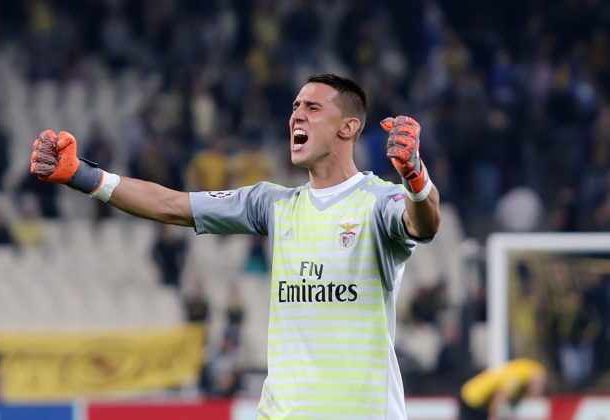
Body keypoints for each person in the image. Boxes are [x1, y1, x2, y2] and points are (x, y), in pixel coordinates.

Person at [29, 73, 441, 419]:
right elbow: (173, 205)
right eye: (295, 106)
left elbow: (423, 223)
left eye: (313, 108)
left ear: (347, 127)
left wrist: (416, 178)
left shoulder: (377, 200)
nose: (297, 115)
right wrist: (83, 176)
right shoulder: (274, 204)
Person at [460, 358, 547, 420]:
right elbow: (498, 398)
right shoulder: (516, 378)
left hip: (478, 399)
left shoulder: (532, 369)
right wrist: (493, 417)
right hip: (471, 399)